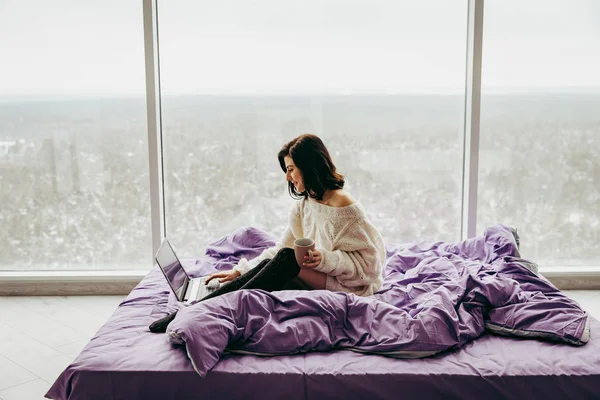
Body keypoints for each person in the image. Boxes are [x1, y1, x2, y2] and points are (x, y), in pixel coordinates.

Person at [149, 133, 386, 333]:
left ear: (309, 166)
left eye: (291, 169)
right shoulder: (305, 205)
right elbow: (280, 250)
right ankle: (205, 305)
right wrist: (240, 271)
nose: (288, 177)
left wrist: (324, 259)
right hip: (319, 275)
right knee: (280, 259)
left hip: (349, 285)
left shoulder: (344, 208)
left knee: (285, 259)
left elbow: (369, 267)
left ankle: (197, 310)